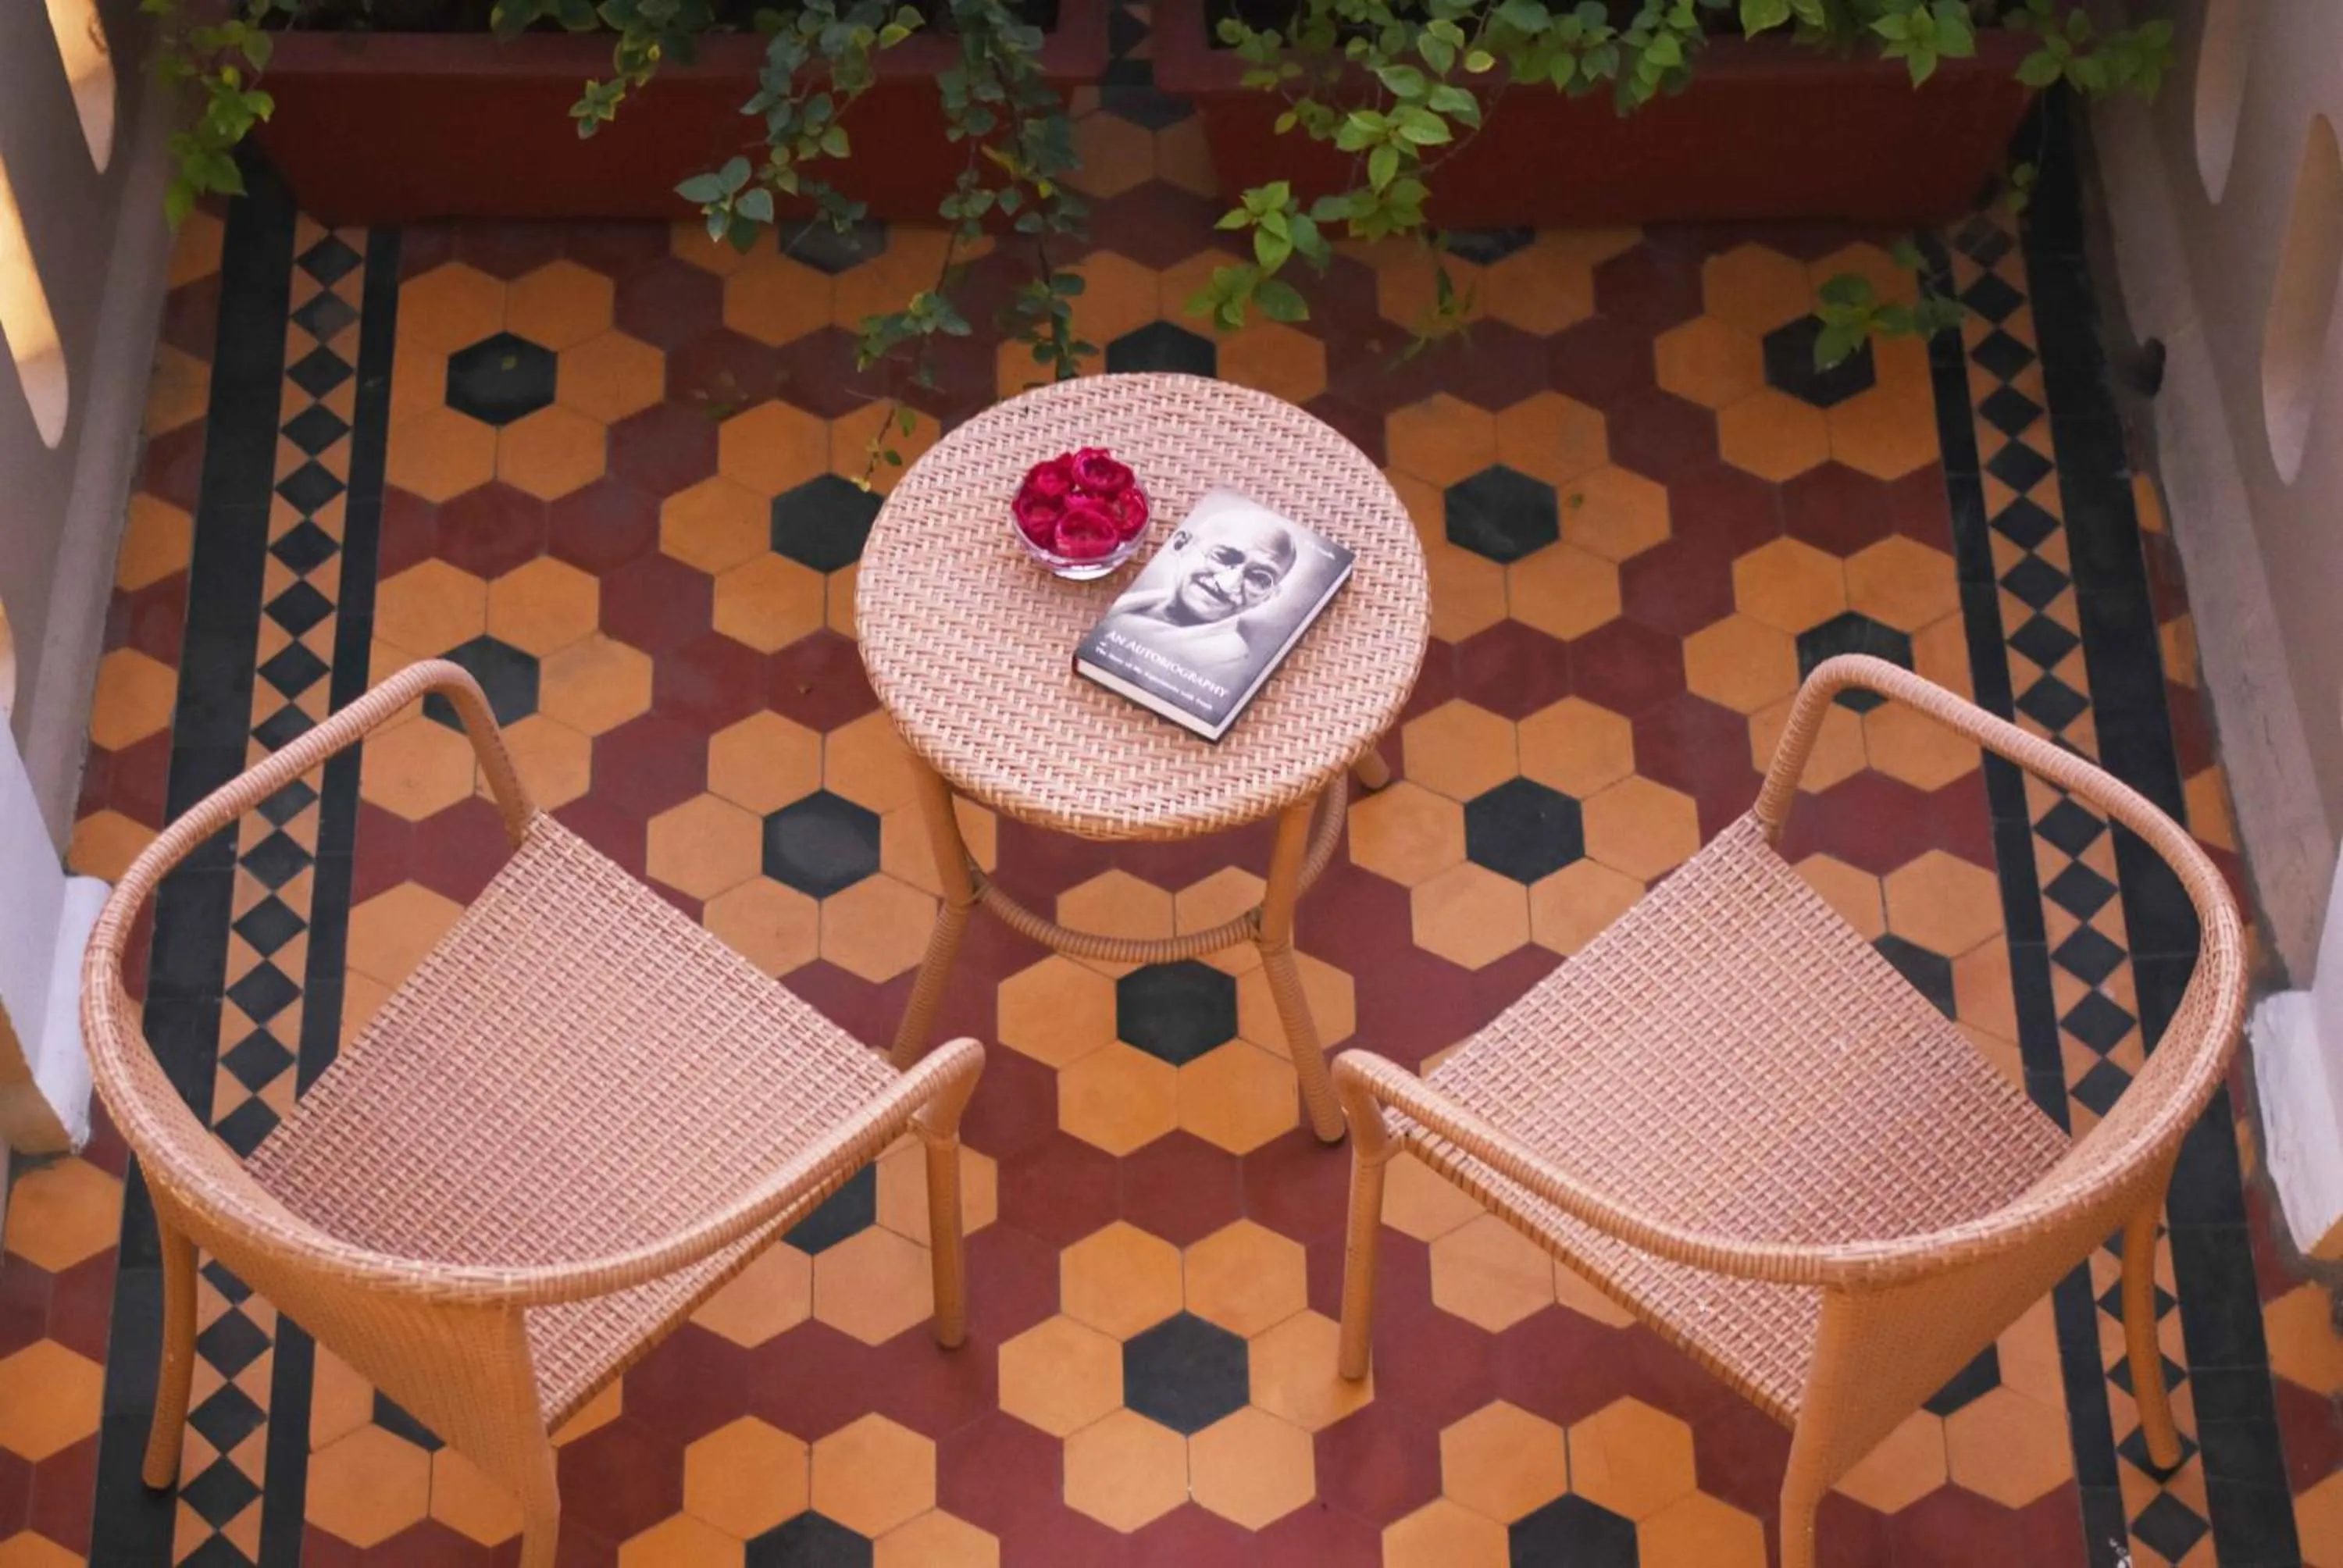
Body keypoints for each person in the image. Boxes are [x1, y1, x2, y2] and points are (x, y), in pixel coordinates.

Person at [1097, 495, 1300, 685]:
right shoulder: (1130, 605)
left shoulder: (1225, 667)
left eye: (1258, 578)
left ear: (1269, 597)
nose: (1229, 584)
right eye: (1224, 557)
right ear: (1181, 544)